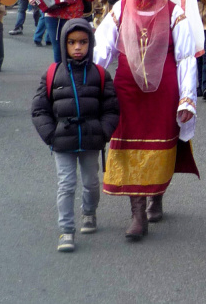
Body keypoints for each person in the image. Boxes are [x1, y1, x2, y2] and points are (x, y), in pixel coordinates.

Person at [93, 0, 198, 240]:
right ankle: (137, 212)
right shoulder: (119, 10)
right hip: (127, 90)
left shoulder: (174, 13)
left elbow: (186, 58)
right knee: (127, 145)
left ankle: (156, 193)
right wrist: (93, 81)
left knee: (160, 146)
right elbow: (102, 49)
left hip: (164, 90)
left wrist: (187, 97)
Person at [31, 19, 120, 252]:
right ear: (64, 44)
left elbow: (111, 109)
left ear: (90, 44)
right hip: (62, 140)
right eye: (72, 43)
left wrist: (103, 132)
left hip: (91, 140)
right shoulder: (52, 74)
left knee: (91, 183)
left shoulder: (100, 74)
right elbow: (39, 109)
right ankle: (66, 230)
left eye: (83, 42)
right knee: (66, 184)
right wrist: (51, 135)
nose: (78, 47)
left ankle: (89, 212)